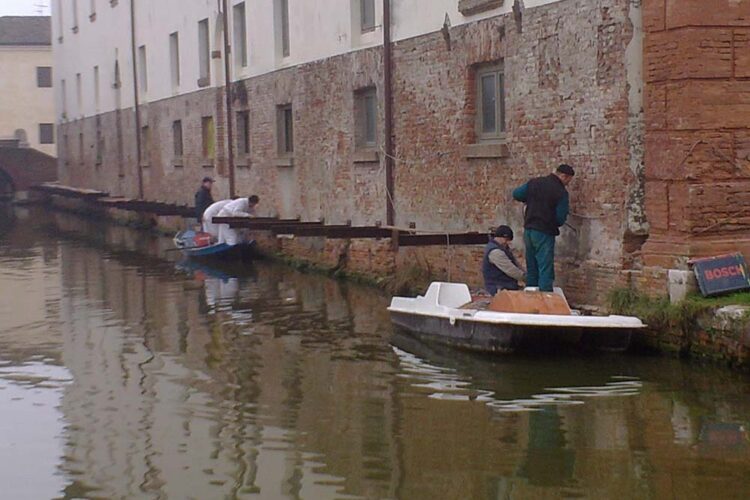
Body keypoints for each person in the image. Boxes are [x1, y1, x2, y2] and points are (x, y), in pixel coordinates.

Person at [512, 164, 574, 292]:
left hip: (529, 229)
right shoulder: (561, 192)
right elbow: (560, 218)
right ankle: (546, 296)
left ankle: (530, 294)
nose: (567, 184)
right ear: (563, 176)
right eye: (568, 180)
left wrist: (528, 200)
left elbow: (517, 194)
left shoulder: (535, 182)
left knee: (532, 265)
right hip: (544, 232)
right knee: (545, 266)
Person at [482, 225, 526, 295]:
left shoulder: (503, 248)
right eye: (507, 239)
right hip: (498, 289)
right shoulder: (495, 252)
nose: (508, 242)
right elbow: (511, 270)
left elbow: (515, 263)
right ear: (500, 237)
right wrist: (526, 278)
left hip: (506, 285)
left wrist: (524, 273)